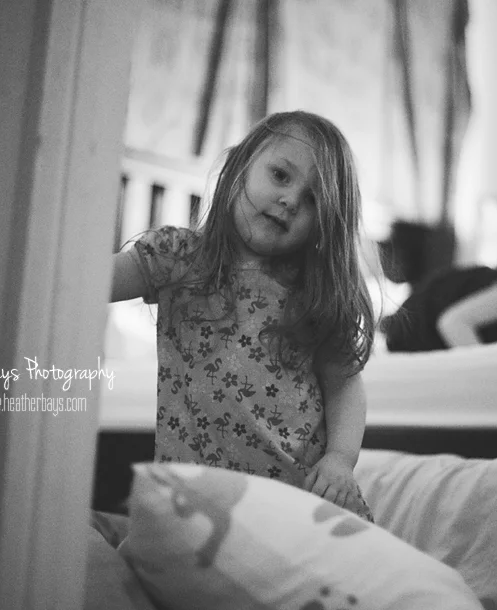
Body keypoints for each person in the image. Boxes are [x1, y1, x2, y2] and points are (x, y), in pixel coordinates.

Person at [111, 111, 375, 520]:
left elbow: (344, 384)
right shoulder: (177, 258)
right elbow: (82, 283)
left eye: (312, 200)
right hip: (197, 503)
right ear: (240, 167)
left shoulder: (312, 293)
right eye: (280, 176)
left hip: (298, 502)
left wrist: (340, 459)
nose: (291, 200)